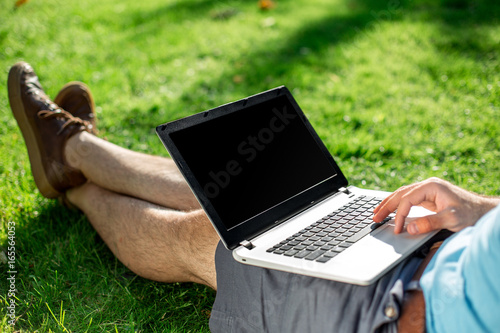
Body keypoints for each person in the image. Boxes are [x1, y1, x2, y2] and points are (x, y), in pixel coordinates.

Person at [8, 62, 500, 332]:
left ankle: (77, 175)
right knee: (237, 201)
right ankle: (73, 153)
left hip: (395, 309)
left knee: (209, 238)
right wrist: (481, 210)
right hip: (435, 245)